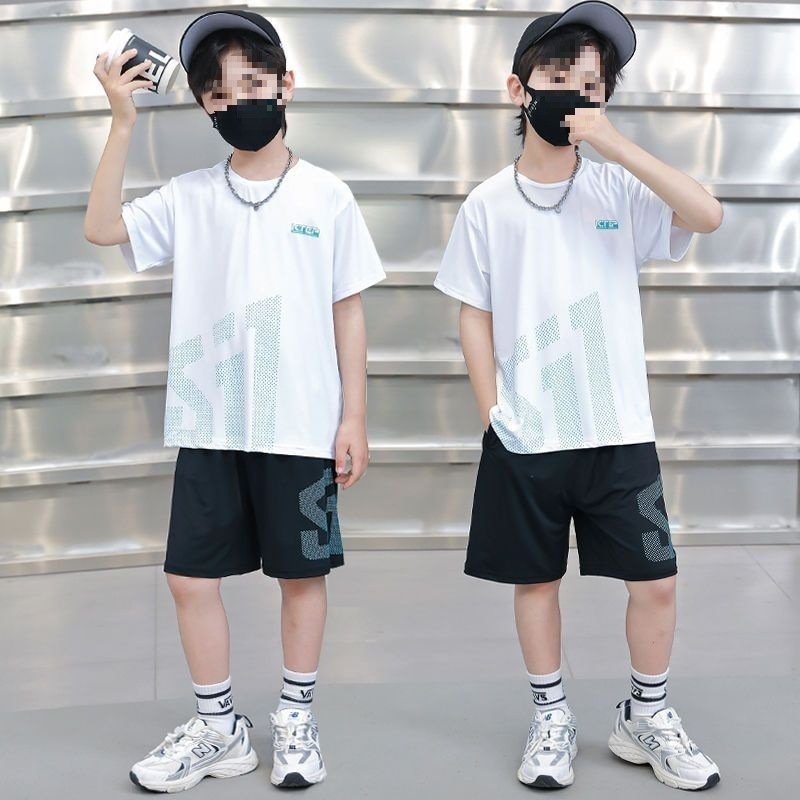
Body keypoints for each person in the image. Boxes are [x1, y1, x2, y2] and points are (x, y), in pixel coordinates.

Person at [85, 9, 385, 792]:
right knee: (190, 579)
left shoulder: (327, 196)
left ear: (287, 85)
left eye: (253, 84)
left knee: (301, 577)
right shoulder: (189, 196)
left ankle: (295, 718)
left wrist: (353, 416)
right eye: (218, 93)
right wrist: (121, 121)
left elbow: (348, 310)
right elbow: (101, 227)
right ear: (204, 107)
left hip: (301, 427)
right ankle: (219, 729)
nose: (237, 102)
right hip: (210, 422)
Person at [434, 1, 722, 791]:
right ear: (518, 88)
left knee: (656, 580)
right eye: (557, 76)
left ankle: (646, 714)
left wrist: (615, 144)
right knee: (536, 581)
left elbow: (706, 214)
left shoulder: (618, 188)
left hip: (618, 430)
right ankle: (551, 716)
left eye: (590, 84)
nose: (573, 94)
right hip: (528, 434)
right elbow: (472, 311)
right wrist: (493, 412)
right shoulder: (488, 203)